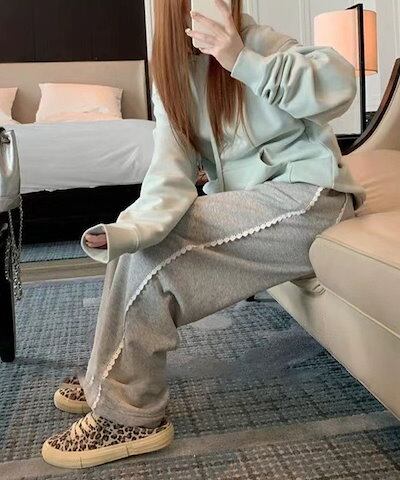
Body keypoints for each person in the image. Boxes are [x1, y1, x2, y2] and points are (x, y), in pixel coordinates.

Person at [41, 0, 366, 469]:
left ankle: (131, 416)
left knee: (158, 251)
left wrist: (239, 59)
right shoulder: (173, 78)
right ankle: (106, 380)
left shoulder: (259, 43)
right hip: (260, 204)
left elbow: (339, 87)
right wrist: (130, 229)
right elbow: (169, 174)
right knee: (137, 240)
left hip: (315, 198)